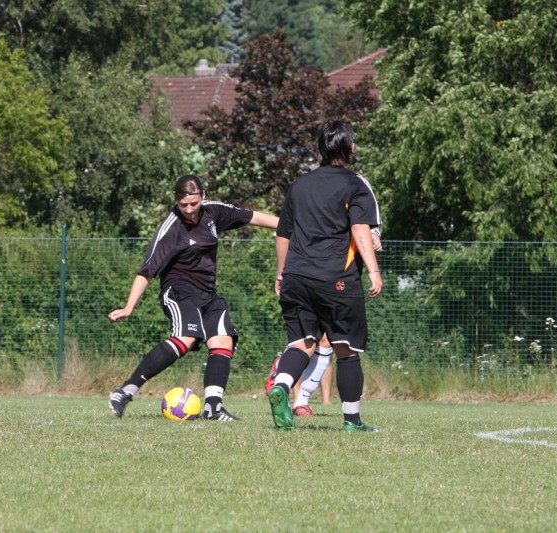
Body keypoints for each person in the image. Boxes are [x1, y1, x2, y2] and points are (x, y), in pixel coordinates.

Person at [108, 174, 279, 421]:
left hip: (208, 293)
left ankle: (213, 408)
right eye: (183, 204)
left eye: (194, 203)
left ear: (203, 196)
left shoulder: (214, 212)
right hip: (178, 290)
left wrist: (292, 226)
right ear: (176, 200)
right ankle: (125, 391)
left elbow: (254, 217)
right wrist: (128, 307)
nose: (189, 209)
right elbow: (146, 271)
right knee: (186, 338)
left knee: (223, 341)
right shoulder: (171, 227)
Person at [269, 120, 383, 431]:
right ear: (351, 148)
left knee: (302, 344)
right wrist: (373, 270)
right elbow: (360, 228)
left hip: (296, 276)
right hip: (337, 279)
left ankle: (281, 386)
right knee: (346, 350)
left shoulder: (299, 185)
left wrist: (281, 273)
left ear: (320, 149)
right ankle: (352, 421)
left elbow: (283, 233)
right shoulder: (355, 184)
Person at [264, 209, 382, 417]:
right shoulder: (352, 189)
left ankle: (288, 388)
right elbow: (359, 226)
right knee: (331, 343)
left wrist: (374, 234)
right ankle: (341, 414)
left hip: (303, 274)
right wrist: (373, 269)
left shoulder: (311, 191)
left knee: (318, 340)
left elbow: (365, 225)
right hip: (332, 277)